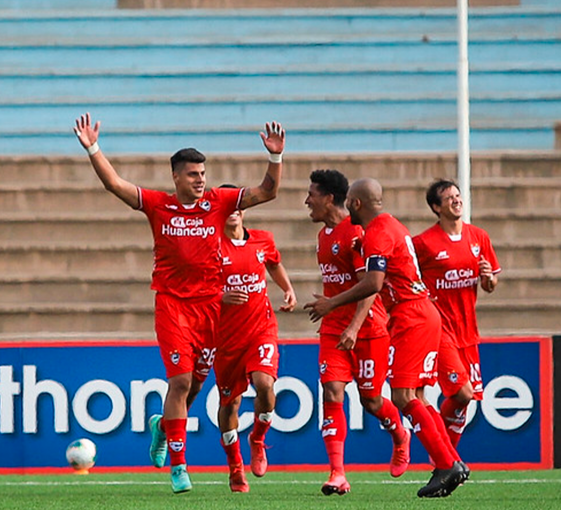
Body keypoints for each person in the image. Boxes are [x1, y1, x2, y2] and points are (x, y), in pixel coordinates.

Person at [73, 112, 285, 493]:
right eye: (192, 174)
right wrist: (93, 148)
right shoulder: (158, 206)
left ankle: (161, 427)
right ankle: (179, 467)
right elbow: (114, 184)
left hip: (211, 310)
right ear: (176, 177)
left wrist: (275, 158)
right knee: (180, 380)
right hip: (172, 305)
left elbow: (267, 192)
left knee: (193, 391)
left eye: (203, 173)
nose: (200, 179)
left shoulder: (218, 203)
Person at [304, 178, 467, 498]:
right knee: (414, 396)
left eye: (350, 199)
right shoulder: (390, 226)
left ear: (355, 203)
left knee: (403, 397)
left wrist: (331, 303)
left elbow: (373, 283)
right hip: (419, 312)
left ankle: (447, 464)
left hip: (411, 315)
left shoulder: (376, 234)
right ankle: (450, 462)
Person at [303, 169, 410, 496]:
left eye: (312, 195)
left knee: (372, 400)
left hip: (368, 328)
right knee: (332, 392)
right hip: (333, 328)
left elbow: (371, 287)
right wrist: (338, 319)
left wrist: (353, 325)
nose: (307, 201)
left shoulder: (357, 232)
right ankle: (337, 473)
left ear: (329, 199)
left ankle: (400, 435)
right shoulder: (323, 236)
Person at [214, 188, 297, 493]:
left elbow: (273, 262)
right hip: (224, 339)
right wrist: (220, 296)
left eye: (237, 205)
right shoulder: (210, 246)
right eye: (227, 206)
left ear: (244, 208)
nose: (233, 210)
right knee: (230, 403)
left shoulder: (263, 239)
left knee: (265, 384)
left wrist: (287, 288)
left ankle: (258, 438)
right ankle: (235, 467)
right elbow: (194, 288)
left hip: (261, 329)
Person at [412, 179, 500, 448]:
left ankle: (444, 459)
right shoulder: (423, 243)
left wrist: (488, 279)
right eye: (449, 197)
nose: (456, 200)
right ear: (436, 207)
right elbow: (405, 276)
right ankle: (446, 454)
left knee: (466, 397)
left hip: (468, 330)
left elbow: (490, 285)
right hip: (439, 329)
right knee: (462, 393)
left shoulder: (478, 237)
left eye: (458, 195)